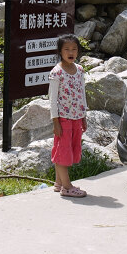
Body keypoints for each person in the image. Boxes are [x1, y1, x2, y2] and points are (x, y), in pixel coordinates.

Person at [48, 34, 88, 198]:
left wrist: (84, 115)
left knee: (68, 149)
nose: (71, 52)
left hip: (76, 117)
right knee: (63, 151)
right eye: (67, 49)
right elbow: (52, 99)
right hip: (63, 118)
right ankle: (67, 187)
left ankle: (58, 183)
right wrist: (55, 122)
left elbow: (82, 93)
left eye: (74, 49)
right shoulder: (56, 72)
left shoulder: (79, 70)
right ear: (60, 51)